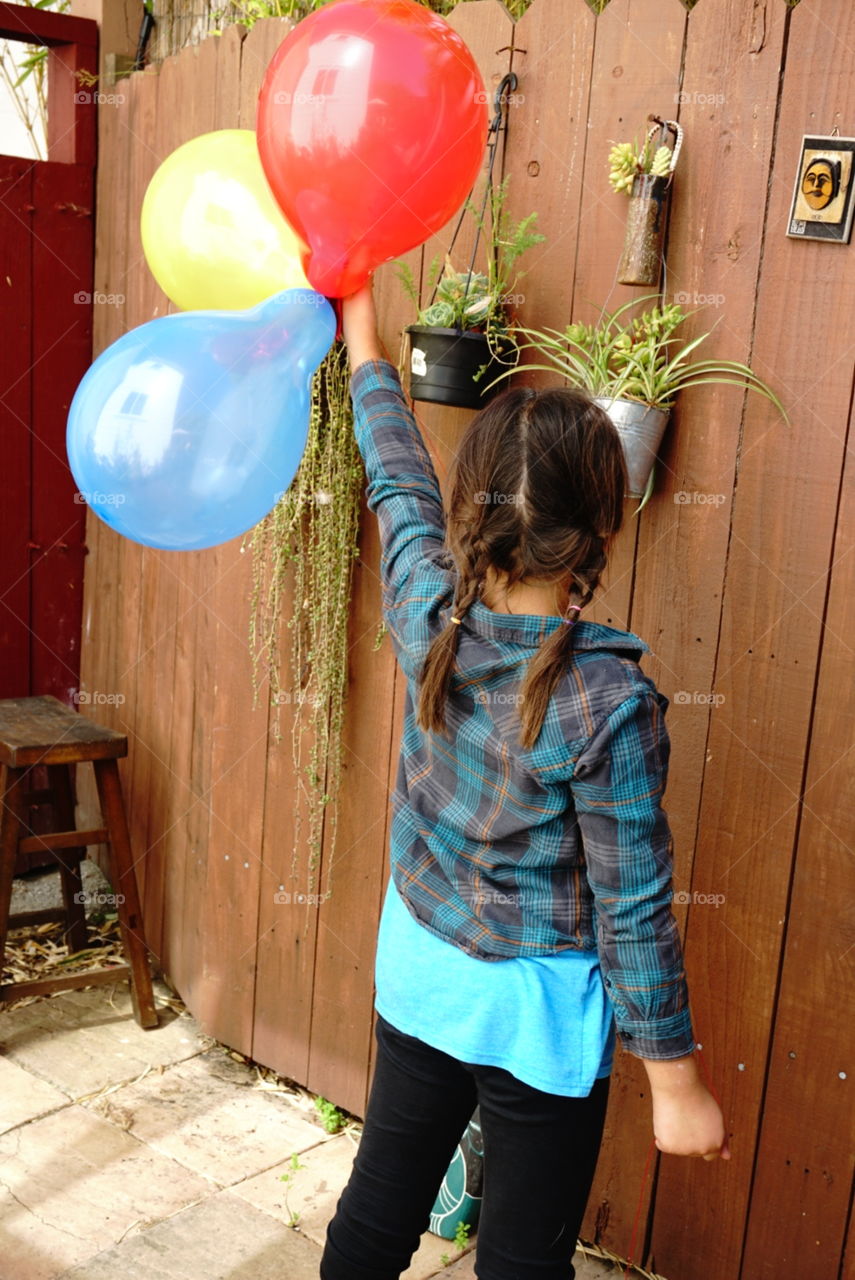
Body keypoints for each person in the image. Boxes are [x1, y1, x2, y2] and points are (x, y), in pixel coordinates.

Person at [320, 283, 729, 1280]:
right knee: (521, 1258)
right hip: (535, 1025)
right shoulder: (611, 703)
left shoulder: (429, 606)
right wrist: (675, 1086)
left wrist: (362, 324)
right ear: (599, 527)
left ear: (474, 507)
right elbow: (633, 913)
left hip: (421, 973)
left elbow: (397, 480)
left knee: (379, 1210)